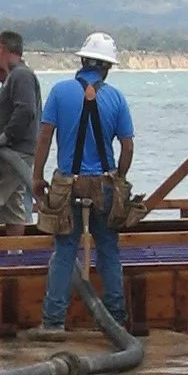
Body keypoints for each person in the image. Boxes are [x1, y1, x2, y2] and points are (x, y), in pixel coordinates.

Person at [29, 30, 135, 337]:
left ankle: (53, 322)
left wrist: (37, 176)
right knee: (108, 250)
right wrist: (119, 178)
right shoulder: (116, 98)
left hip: (68, 185)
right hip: (103, 185)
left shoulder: (61, 92)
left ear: (82, 60)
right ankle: (115, 321)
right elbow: (127, 146)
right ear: (107, 67)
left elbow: (45, 137)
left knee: (64, 251)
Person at [0, 29, 41, 233]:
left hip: (12, 152)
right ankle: (16, 252)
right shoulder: (16, 76)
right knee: (13, 204)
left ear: (2, 49)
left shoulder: (21, 75)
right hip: (17, 152)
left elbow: (25, 109)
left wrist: (2, 139)